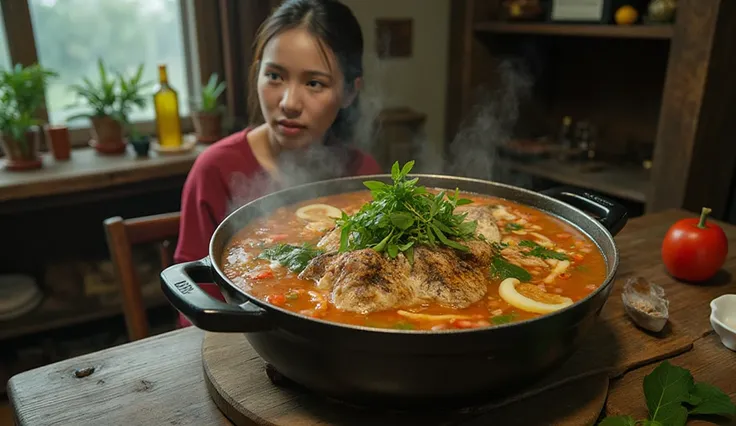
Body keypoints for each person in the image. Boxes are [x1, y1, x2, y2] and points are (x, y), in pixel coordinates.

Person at [173, 0, 382, 328]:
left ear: (349, 92)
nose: (288, 103)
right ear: (257, 74)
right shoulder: (215, 169)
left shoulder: (362, 170)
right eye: (274, 76)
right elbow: (194, 309)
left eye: (314, 83)